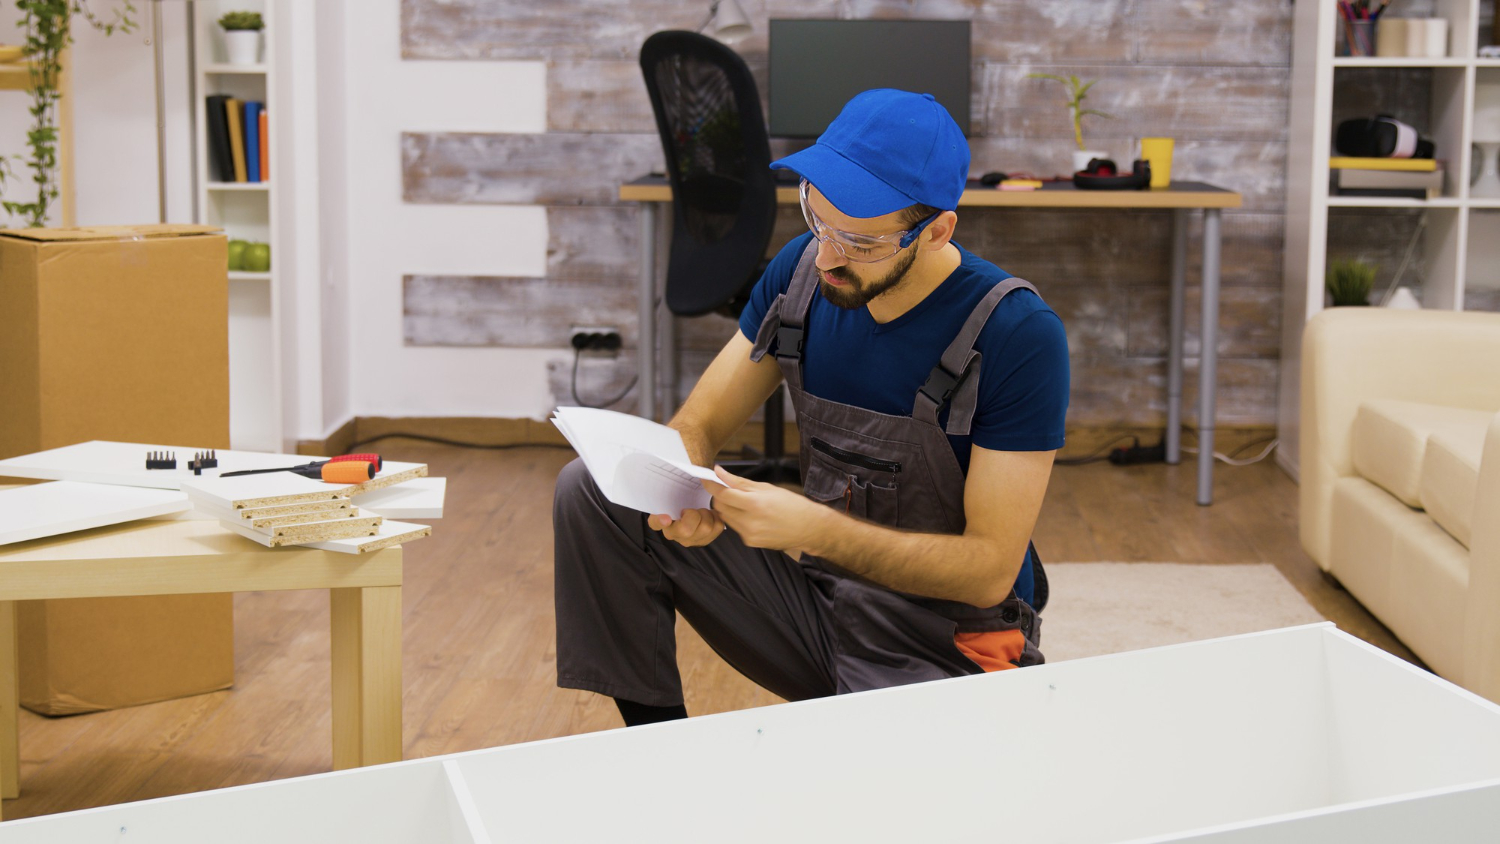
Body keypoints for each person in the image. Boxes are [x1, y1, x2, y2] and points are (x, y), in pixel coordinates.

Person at [553, 89, 1069, 727]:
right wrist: (676, 491)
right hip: (823, 606)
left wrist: (811, 529)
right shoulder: (801, 273)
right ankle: (659, 747)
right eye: (815, 219)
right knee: (595, 491)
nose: (827, 256)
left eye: (860, 241)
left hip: (948, 647)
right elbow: (701, 423)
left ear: (936, 230)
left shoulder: (1016, 334)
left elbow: (990, 572)